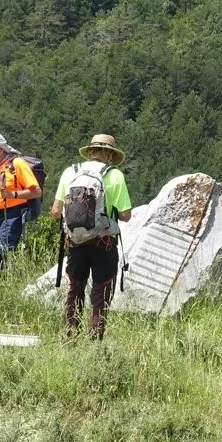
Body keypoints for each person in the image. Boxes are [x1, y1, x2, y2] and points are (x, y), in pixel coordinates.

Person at [51, 134, 134, 340]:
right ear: (108, 153)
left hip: (76, 243)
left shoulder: (70, 172)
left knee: (75, 289)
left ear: (90, 152)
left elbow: (55, 211)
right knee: (101, 293)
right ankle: (95, 340)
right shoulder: (114, 175)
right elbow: (125, 215)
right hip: (103, 244)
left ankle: (70, 336)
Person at [0, 133, 42, 272]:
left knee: (1, 252)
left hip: (11, 214)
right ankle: (1, 285)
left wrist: (12, 194)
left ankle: (2, 284)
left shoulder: (16, 163)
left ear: (1, 149)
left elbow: (36, 191)